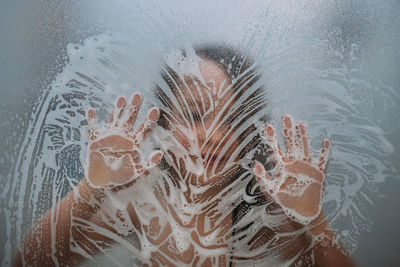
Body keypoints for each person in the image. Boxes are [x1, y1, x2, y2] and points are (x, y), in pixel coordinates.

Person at [14, 45, 354, 266]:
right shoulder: (146, 202)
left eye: (233, 121)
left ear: (250, 137)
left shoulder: (259, 214)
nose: (213, 135)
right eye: (193, 115)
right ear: (162, 125)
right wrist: (92, 187)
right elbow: (29, 261)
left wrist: (313, 221)